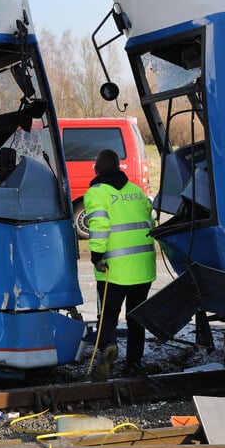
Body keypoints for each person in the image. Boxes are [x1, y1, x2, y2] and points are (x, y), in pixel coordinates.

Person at [84, 148, 156, 380]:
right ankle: (134, 365)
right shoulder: (137, 192)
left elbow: (100, 225)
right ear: (119, 167)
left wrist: (96, 255)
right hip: (142, 268)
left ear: (97, 169)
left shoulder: (96, 192)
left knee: (108, 317)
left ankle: (108, 349)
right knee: (136, 319)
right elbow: (151, 224)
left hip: (113, 269)